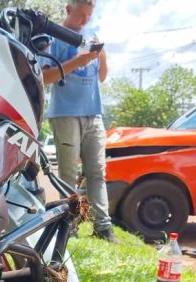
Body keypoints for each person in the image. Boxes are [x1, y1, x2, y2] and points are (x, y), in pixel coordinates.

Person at [42, 0, 119, 244]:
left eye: (89, 15)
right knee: (68, 174)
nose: (85, 21)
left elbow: (103, 77)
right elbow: (45, 77)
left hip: (93, 114)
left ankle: (103, 228)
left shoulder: (90, 35)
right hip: (65, 114)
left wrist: (101, 55)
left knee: (97, 173)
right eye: (81, 15)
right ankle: (70, 226)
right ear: (68, 9)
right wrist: (79, 61)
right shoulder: (54, 37)